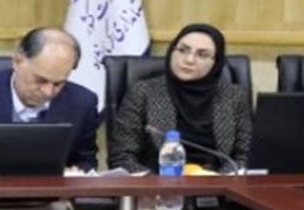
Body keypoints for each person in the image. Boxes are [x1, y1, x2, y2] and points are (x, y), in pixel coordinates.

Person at [0, 28, 100, 171]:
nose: (48, 92)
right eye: (41, 80)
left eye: (58, 83)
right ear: (17, 62)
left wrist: (77, 172)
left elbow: (86, 160)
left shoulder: (83, 102)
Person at [108, 24, 252, 173]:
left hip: (218, 182)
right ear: (172, 51)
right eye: (183, 50)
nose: (189, 60)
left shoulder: (234, 96)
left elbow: (245, 155)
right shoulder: (143, 92)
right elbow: (121, 156)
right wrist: (157, 183)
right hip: (157, 182)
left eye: (202, 55)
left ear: (216, 62)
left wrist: (217, 180)